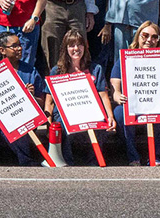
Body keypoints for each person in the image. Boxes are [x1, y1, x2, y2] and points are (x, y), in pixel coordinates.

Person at [0, 32, 48, 166]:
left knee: (16, 121)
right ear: (2, 50)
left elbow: (41, 102)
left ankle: (25, 160)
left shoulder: (30, 71)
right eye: (14, 46)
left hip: (20, 114)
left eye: (20, 45)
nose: (19, 49)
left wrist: (31, 97)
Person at [110, 21, 160, 166]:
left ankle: (156, 156)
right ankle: (133, 156)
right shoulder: (126, 57)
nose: (149, 40)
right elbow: (115, 83)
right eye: (145, 35)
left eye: (154, 37)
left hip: (152, 104)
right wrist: (117, 95)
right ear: (138, 36)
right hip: (132, 104)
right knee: (120, 113)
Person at [47, 29, 115, 166]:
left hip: (90, 109)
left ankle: (94, 161)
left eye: (80, 45)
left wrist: (110, 117)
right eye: (72, 45)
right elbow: (49, 100)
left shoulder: (96, 69)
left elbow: (103, 95)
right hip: (65, 111)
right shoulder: (57, 71)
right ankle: (67, 161)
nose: (76, 49)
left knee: (101, 125)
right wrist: (49, 121)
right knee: (61, 123)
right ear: (65, 48)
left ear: (85, 47)